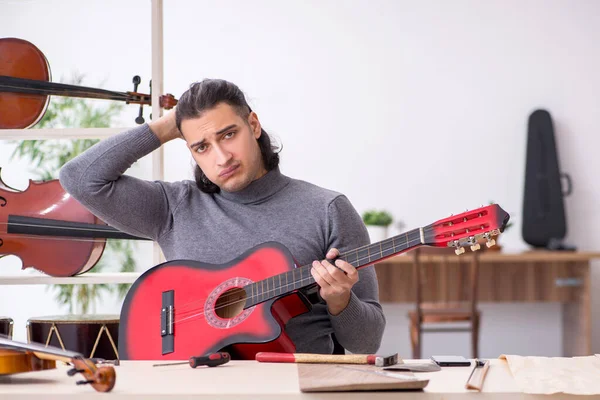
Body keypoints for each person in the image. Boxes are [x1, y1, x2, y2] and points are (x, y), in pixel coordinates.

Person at [59, 78, 386, 355]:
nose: (221, 157)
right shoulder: (173, 206)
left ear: (253, 125)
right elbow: (80, 178)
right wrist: (169, 125)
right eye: (201, 146)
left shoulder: (328, 209)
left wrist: (341, 300)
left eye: (228, 134)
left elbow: (367, 343)